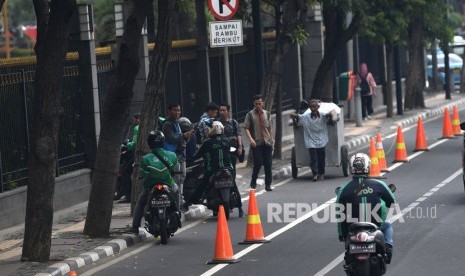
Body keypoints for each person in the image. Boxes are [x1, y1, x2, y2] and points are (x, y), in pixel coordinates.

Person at [336, 153, 396, 264]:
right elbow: (392, 202)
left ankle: (349, 259)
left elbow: (339, 214)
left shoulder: (343, 189)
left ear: (351, 168)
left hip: (353, 228)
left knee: (348, 252)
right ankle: (388, 248)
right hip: (376, 225)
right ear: (368, 166)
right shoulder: (379, 184)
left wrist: (342, 234)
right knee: (387, 226)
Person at [130, 131, 180, 234]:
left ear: (150, 143)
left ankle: (135, 226)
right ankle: (178, 213)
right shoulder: (172, 155)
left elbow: (143, 173)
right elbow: (176, 169)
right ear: (163, 141)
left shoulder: (145, 159)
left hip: (150, 186)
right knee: (176, 192)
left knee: (141, 203)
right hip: (168, 184)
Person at [182, 121, 233, 211]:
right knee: (234, 185)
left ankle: (187, 203)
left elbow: (197, 155)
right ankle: (240, 208)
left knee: (202, 186)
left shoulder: (208, 142)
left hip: (212, 169)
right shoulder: (226, 140)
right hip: (227, 168)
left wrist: (192, 158)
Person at [290, 99, 335, 182]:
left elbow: (331, 123)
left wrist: (330, 116)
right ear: (310, 108)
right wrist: (294, 116)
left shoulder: (323, 116)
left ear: (318, 107)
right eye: (311, 107)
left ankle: (321, 174)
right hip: (310, 140)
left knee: (321, 158)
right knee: (313, 158)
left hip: (322, 140)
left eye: (314, 107)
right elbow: (298, 117)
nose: (313, 108)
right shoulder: (306, 117)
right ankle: (315, 174)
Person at [162, 104, 194, 206]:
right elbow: (171, 139)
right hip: (173, 156)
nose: (177, 113)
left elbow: (181, 140)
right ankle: (175, 201)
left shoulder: (177, 123)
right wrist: (184, 135)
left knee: (182, 177)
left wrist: (188, 136)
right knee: (175, 179)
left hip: (181, 155)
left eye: (179, 110)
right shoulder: (167, 124)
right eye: (175, 110)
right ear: (169, 111)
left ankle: (179, 199)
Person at [218, 103, 244, 217]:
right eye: (220, 110)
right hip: (220, 154)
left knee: (231, 180)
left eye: (224, 110)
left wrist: (240, 147)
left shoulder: (233, 123)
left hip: (231, 154)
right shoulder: (217, 124)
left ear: (228, 111)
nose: (222, 112)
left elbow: (239, 135)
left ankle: (240, 207)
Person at [244, 95, 274, 192]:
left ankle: (268, 184)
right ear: (254, 104)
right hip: (257, 144)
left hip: (267, 143)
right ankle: (253, 181)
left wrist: (272, 140)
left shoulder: (267, 114)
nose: (258, 105)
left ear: (263, 103)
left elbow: (270, 128)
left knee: (268, 164)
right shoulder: (250, 115)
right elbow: (247, 128)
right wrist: (251, 140)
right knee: (258, 162)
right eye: (256, 104)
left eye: (259, 103)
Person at [115, 113, 140, 202]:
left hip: (136, 154)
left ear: (138, 120)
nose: (133, 122)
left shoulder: (137, 128)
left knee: (125, 173)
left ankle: (129, 196)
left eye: (134, 120)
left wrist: (127, 143)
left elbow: (134, 144)